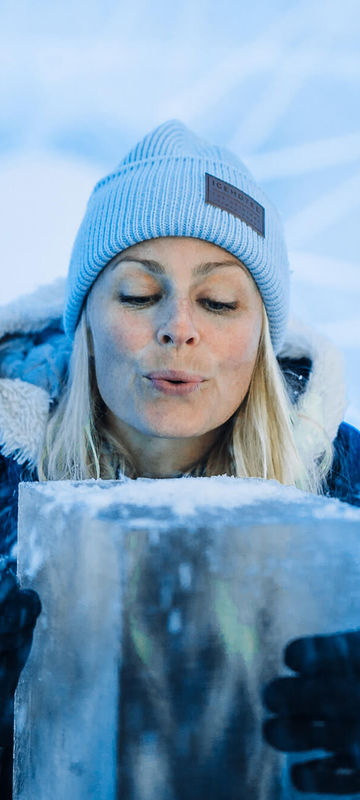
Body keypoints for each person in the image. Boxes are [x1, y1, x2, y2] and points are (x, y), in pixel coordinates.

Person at [0, 119, 359, 797]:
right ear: (86, 321)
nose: (178, 328)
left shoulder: (348, 489)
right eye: (139, 294)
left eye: (219, 302)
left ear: (261, 335)